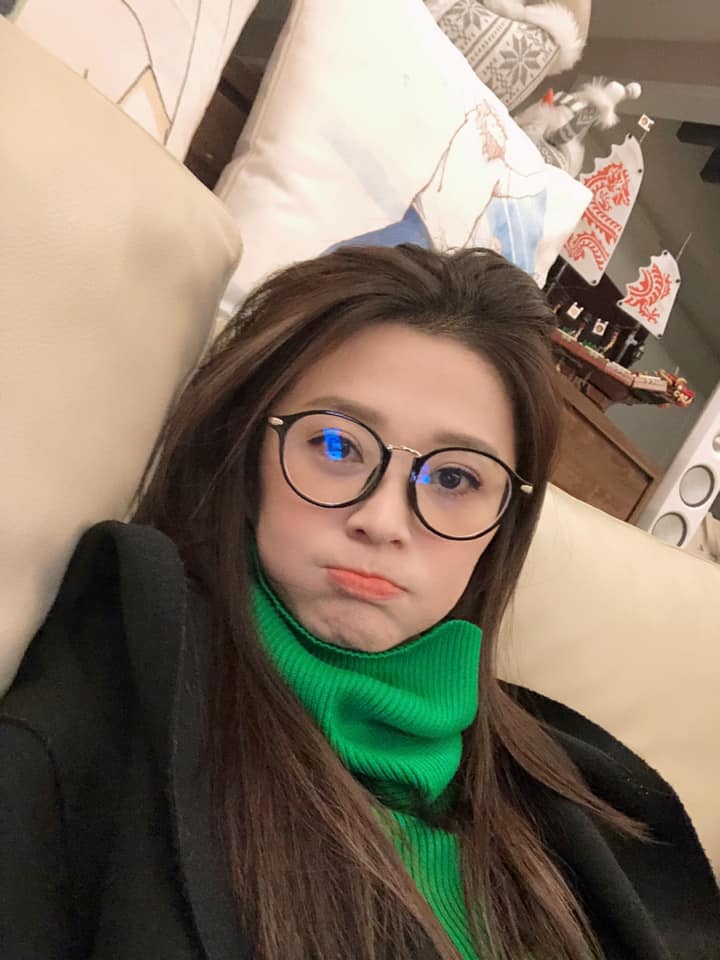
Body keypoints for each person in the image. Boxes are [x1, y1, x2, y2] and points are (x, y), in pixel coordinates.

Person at [1, 245, 718, 960]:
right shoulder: (100, 715)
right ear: (246, 454)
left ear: (501, 527)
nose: (383, 520)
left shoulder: (594, 796)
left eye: (456, 479)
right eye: (337, 445)